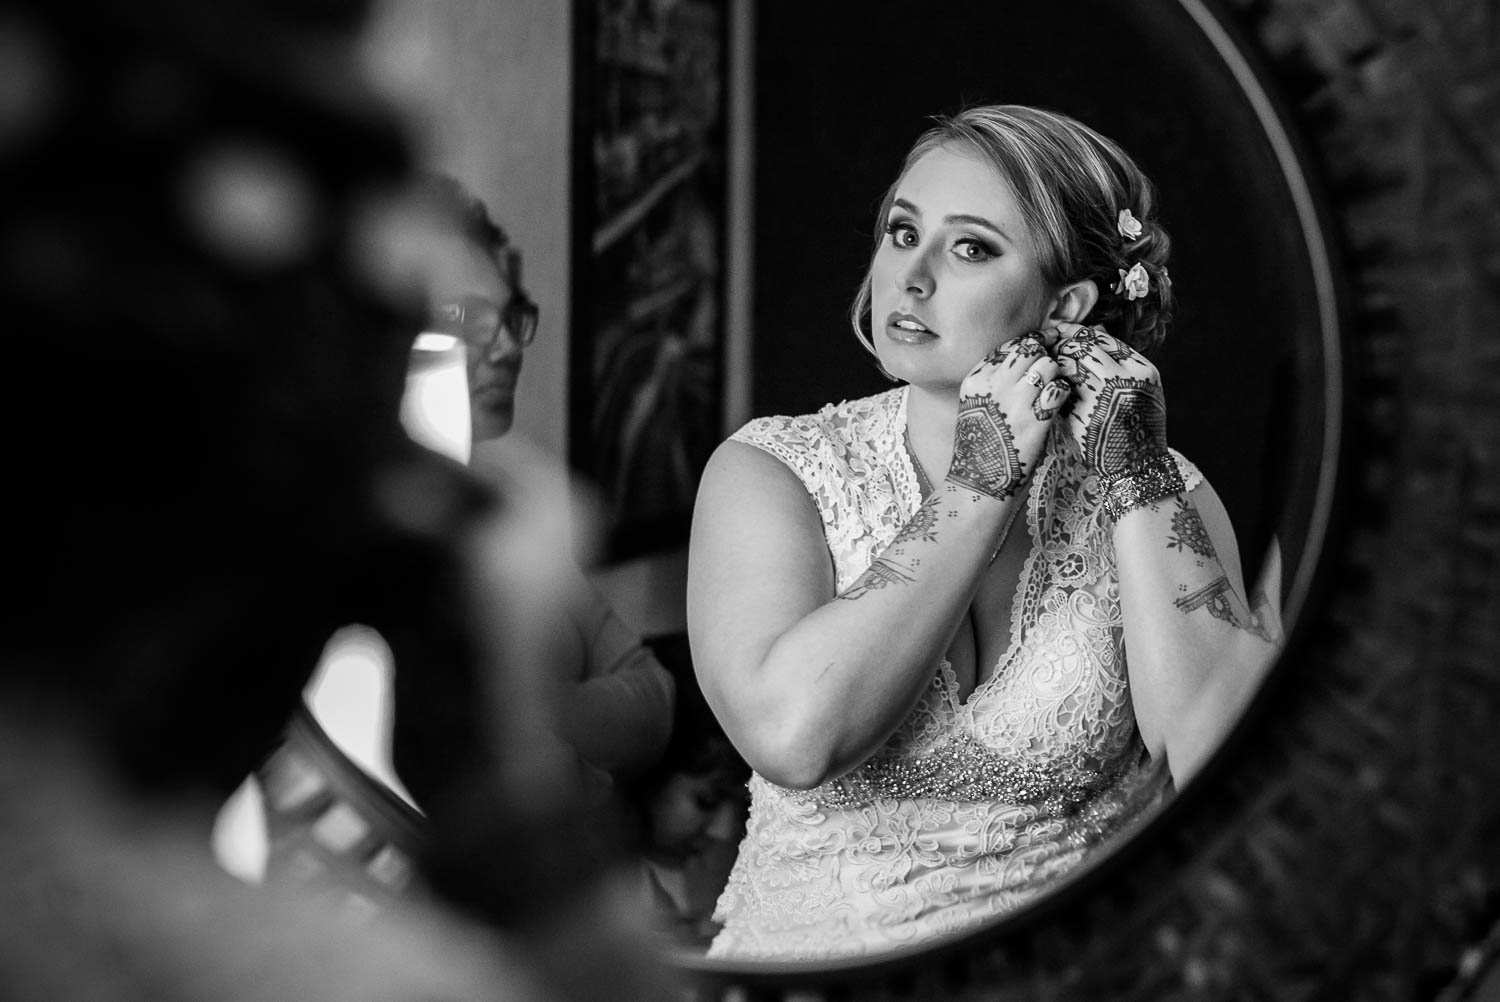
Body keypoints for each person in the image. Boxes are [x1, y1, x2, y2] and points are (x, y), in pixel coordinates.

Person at [687, 104, 1284, 960]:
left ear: (1067, 305)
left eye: (970, 248)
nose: (911, 276)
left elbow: (1225, 763)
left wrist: (1138, 479)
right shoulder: (770, 471)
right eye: (902, 231)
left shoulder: (1160, 489)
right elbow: (794, 736)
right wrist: (981, 480)